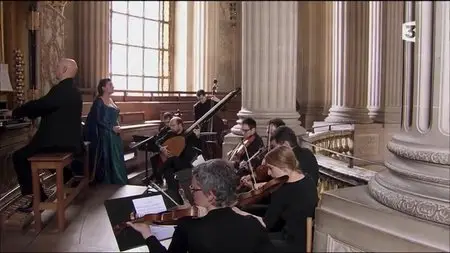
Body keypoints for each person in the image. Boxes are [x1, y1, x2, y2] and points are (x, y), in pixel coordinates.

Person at [127, 159, 276, 253]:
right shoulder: (253, 224)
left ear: (211, 195)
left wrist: (147, 234)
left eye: (193, 189)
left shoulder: (189, 227)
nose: (191, 193)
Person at [7, 58, 82, 212]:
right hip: (69, 141)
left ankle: (37, 197)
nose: (55, 69)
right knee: (38, 153)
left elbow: (42, 105)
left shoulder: (61, 89)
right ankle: (69, 177)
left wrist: (15, 112)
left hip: (57, 141)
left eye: (57, 66)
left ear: (65, 69)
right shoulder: (74, 90)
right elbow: (47, 106)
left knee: (19, 157)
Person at [239, 146, 318, 252]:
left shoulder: (283, 190)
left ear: (284, 169)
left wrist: (241, 214)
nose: (268, 173)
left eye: (271, 168)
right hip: (304, 241)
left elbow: (267, 224)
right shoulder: (308, 179)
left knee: (247, 241)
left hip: (291, 245)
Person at [84, 78, 127, 185]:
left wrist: (117, 126)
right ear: (103, 88)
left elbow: (114, 117)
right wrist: (111, 128)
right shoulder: (98, 101)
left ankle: (119, 181)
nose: (113, 86)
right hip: (106, 135)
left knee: (117, 159)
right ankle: (110, 182)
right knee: (108, 159)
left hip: (114, 135)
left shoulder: (111, 100)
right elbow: (98, 119)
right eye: (110, 84)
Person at [156, 117, 202, 203]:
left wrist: (198, 137)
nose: (171, 128)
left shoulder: (190, 134)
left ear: (180, 125)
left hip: (184, 163)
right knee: (168, 171)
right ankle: (175, 200)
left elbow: (198, 148)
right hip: (172, 163)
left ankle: (157, 175)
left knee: (173, 161)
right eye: (170, 126)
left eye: (173, 125)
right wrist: (162, 148)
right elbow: (157, 142)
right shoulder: (170, 133)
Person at [193, 89, 223, 159]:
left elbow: (224, 108)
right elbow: (196, 120)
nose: (201, 101)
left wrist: (218, 101)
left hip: (215, 127)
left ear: (205, 96)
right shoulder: (197, 106)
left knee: (217, 144)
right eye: (199, 99)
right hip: (204, 128)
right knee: (204, 145)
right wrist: (198, 130)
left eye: (202, 98)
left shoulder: (212, 102)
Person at [149, 112, 174, 184]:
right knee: (153, 159)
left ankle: (158, 176)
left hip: (170, 152)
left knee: (164, 162)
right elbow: (157, 140)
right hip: (162, 151)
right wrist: (160, 147)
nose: (167, 124)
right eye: (166, 122)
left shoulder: (173, 130)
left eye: (168, 122)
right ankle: (158, 179)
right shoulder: (163, 130)